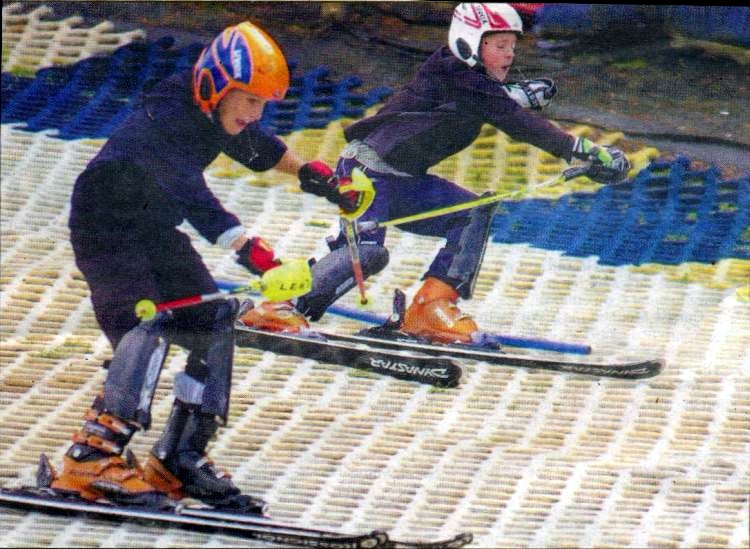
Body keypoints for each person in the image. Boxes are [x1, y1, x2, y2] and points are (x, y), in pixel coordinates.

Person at [56, 21, 354, 509]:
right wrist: (255, 255)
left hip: (152, 229)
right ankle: (89, 458)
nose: (256, 113)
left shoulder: (208, 106)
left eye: (263, 103)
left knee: (209, 318)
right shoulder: (164, 118)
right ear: (218, 87)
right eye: (251, 100)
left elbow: (255, 146)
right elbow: (194, 198)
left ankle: (179, 456)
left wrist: (315, 175)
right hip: (107, 232)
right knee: (145, 323)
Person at [240, 2, 630, 344]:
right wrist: (582, 150)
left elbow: (478, 101)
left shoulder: (466, 79)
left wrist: (514, 94)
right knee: (366, 253)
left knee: (473, 211)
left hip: (403, 179)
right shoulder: (455, 71)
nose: (509, 54)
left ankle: (431, 305)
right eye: (499, 45)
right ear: (468, 41)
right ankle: (281, 307)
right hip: (367, 175)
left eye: (512, 46)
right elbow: (510, 117)